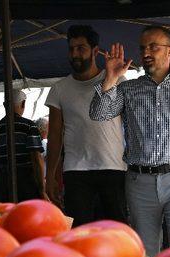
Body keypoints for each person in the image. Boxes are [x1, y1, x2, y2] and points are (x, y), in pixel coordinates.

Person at [90, 26, 170, 257]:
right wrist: (110, 78)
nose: (146, 52)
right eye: (143, 48)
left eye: (153, 47)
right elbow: (98, 113)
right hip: (140, 182)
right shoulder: (128, 88)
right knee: (145, 253)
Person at [45, 25, 128, 226]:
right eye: (71, 48)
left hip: (114, 167)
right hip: (75, 172)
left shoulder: (117, 80)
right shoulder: (59, 89)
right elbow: (54, 135)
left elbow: (133, 125)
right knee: (80, 231)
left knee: (117, 231)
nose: (75, 54)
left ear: (95, 50)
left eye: (81, 48)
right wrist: (50, 177)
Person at [0, 89, 46, 203]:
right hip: (28, 184)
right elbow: (36, 158)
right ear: (23, 104)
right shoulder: (29, 126)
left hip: (4, 185)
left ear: (4, 105)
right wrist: (42, 190)